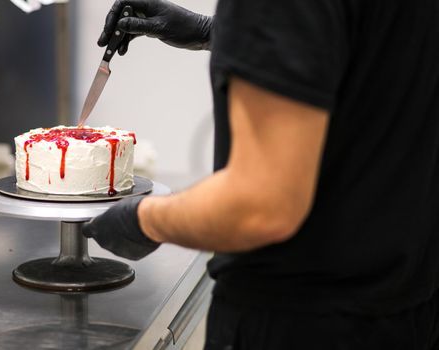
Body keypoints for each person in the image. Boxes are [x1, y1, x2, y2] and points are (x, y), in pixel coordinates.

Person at [83, 0, 439, 348]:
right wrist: (216, 32)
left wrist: (143, 220)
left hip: (306, 321)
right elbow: (377, 55)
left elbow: (261, 206)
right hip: (406, 300)